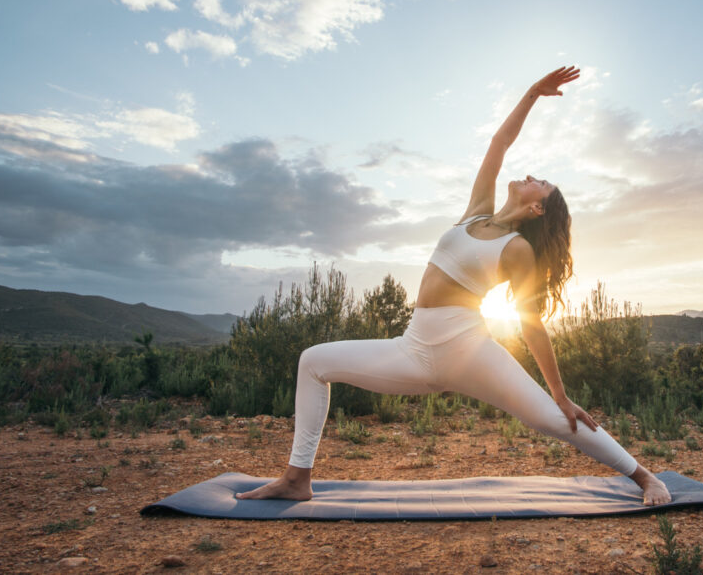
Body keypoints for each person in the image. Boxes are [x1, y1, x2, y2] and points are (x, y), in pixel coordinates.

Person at [237, 67, 672, 506]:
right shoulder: (476, 212)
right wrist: (532, 94)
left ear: (539, 207)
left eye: (540, 181)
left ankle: (646, 478)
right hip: (413, 350)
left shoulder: (517, 249)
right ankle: (296, 478)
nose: (530, 175)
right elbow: (498, 144)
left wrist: (560, 393)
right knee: (313, 361)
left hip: (468, 351)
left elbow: (531, 322)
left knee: (555, 420)